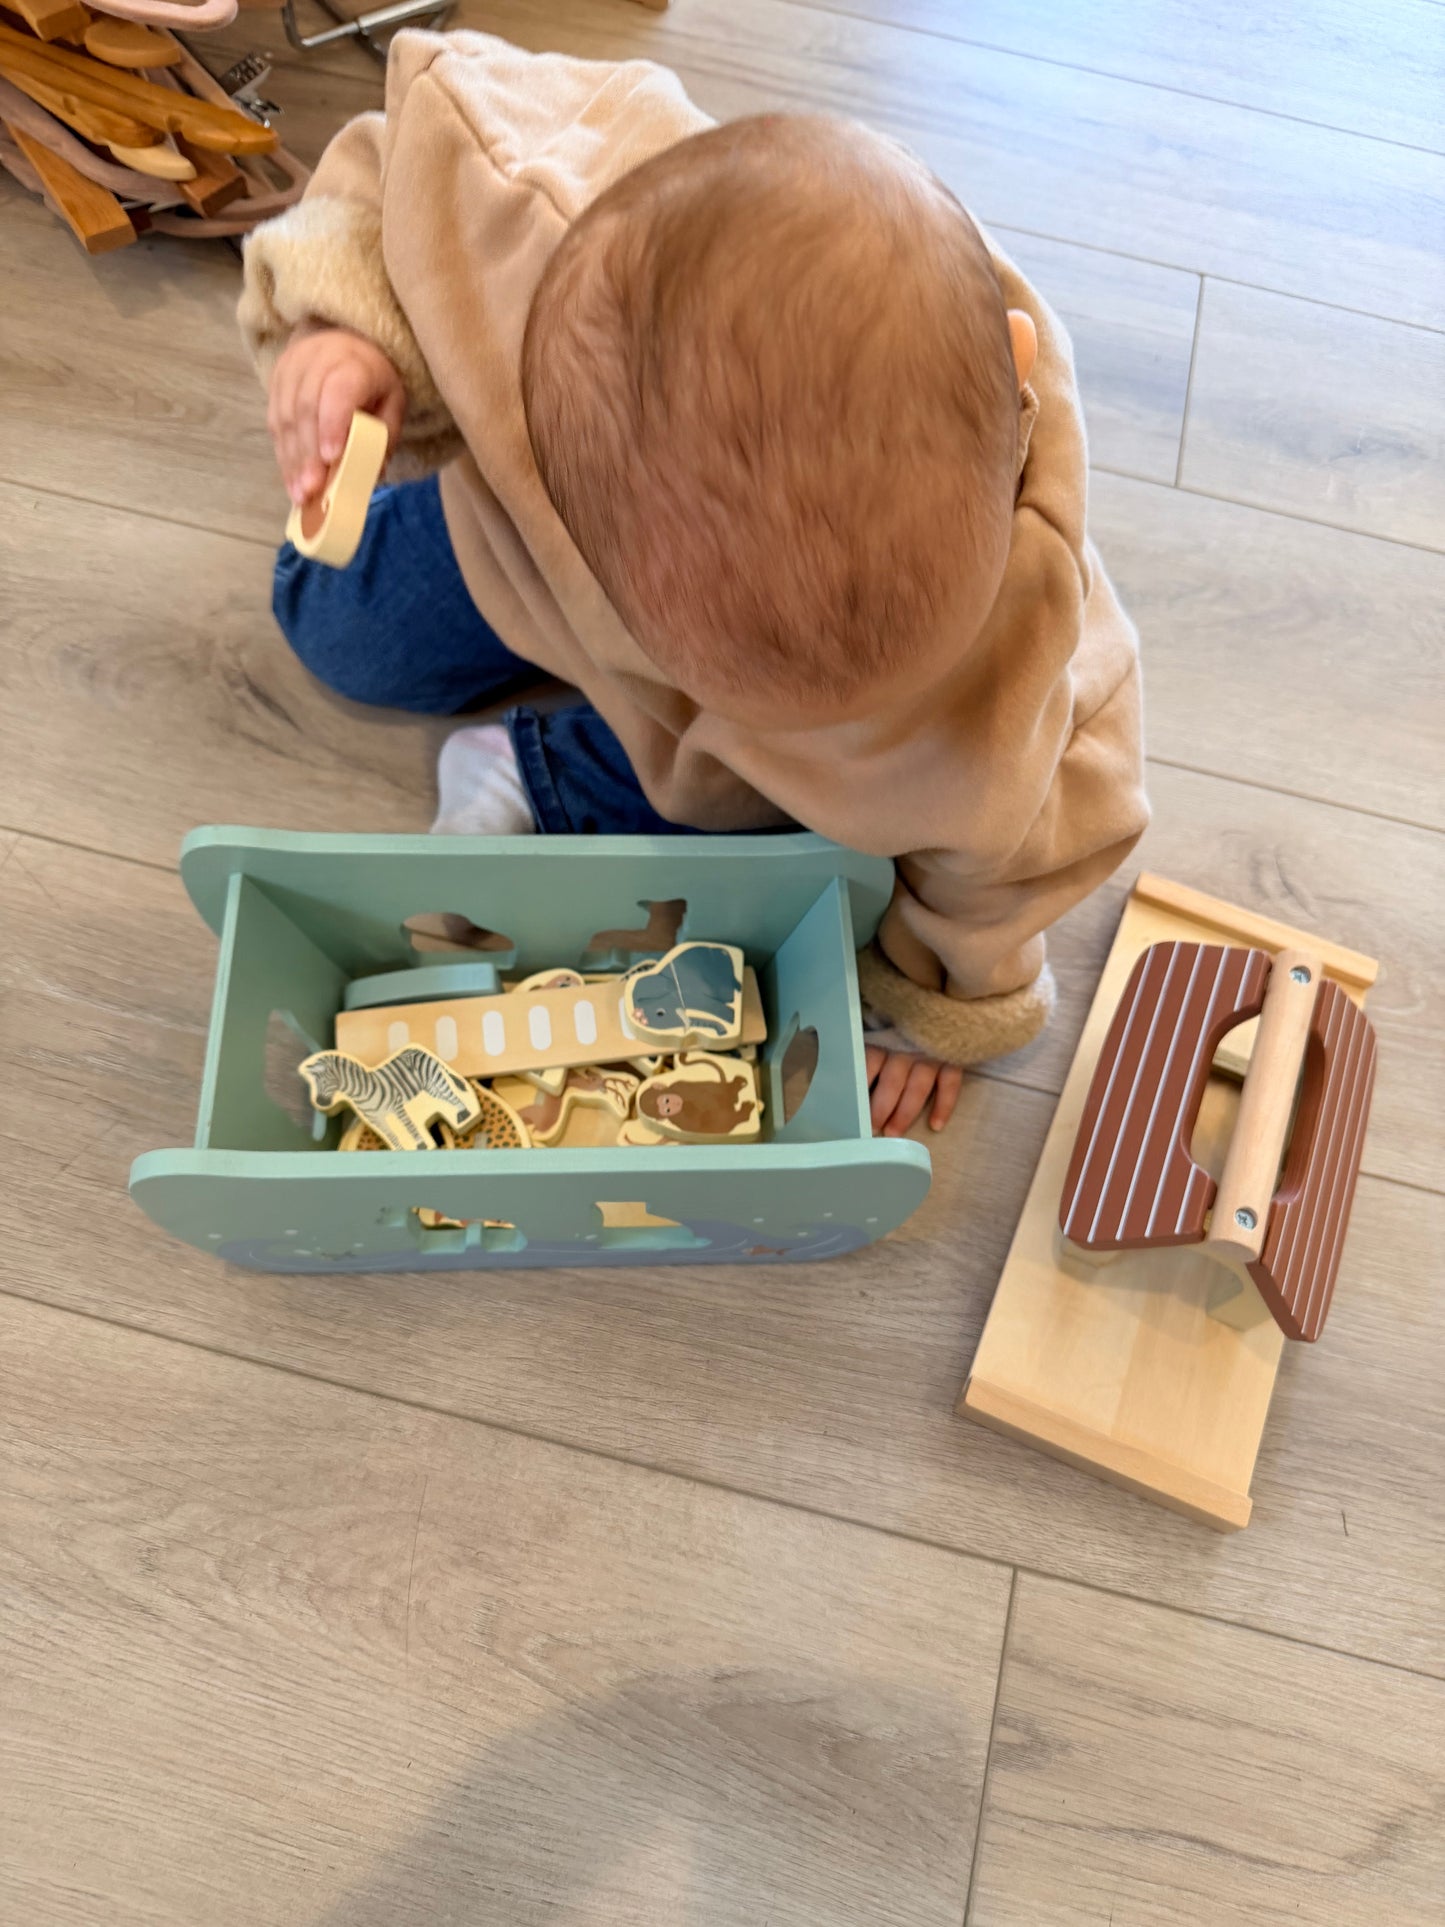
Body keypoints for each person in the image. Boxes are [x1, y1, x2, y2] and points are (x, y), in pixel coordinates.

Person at [239, 31, 1148, 1138]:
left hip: (714, 728)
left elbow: (1014, 866)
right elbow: (415, 157)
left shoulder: (1028, 677)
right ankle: (595, 655)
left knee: (793, 857)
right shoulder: (540, 213)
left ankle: (531, 769)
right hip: (532, 540)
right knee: (331, 622)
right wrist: (356, 337)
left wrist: (938, 1001)